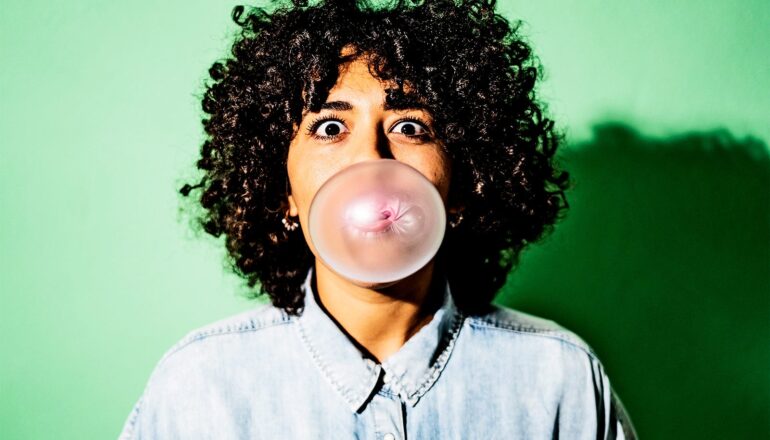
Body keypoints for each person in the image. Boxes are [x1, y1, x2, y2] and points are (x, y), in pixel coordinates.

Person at [119, 0, 637, 438]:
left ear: (461, 186)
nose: (371, 158)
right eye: (328, 127)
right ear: (282, 193)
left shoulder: (560, 379)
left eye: (410, 126)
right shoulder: (200, 388)